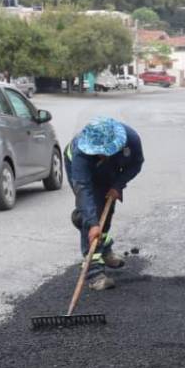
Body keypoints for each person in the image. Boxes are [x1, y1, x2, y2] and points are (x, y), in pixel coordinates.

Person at [66, 117, 144, 291]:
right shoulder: (81, 153)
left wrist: (118, 185)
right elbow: (83, 189)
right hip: (81, 171)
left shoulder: (131, 139)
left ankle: (104, 248)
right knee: (91, 214)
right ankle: (93, 274)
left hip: (111, 169)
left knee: (106, 215)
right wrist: (93, 224)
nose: (100, 154)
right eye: (97, 151)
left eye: (103, 151)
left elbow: (136, 164)